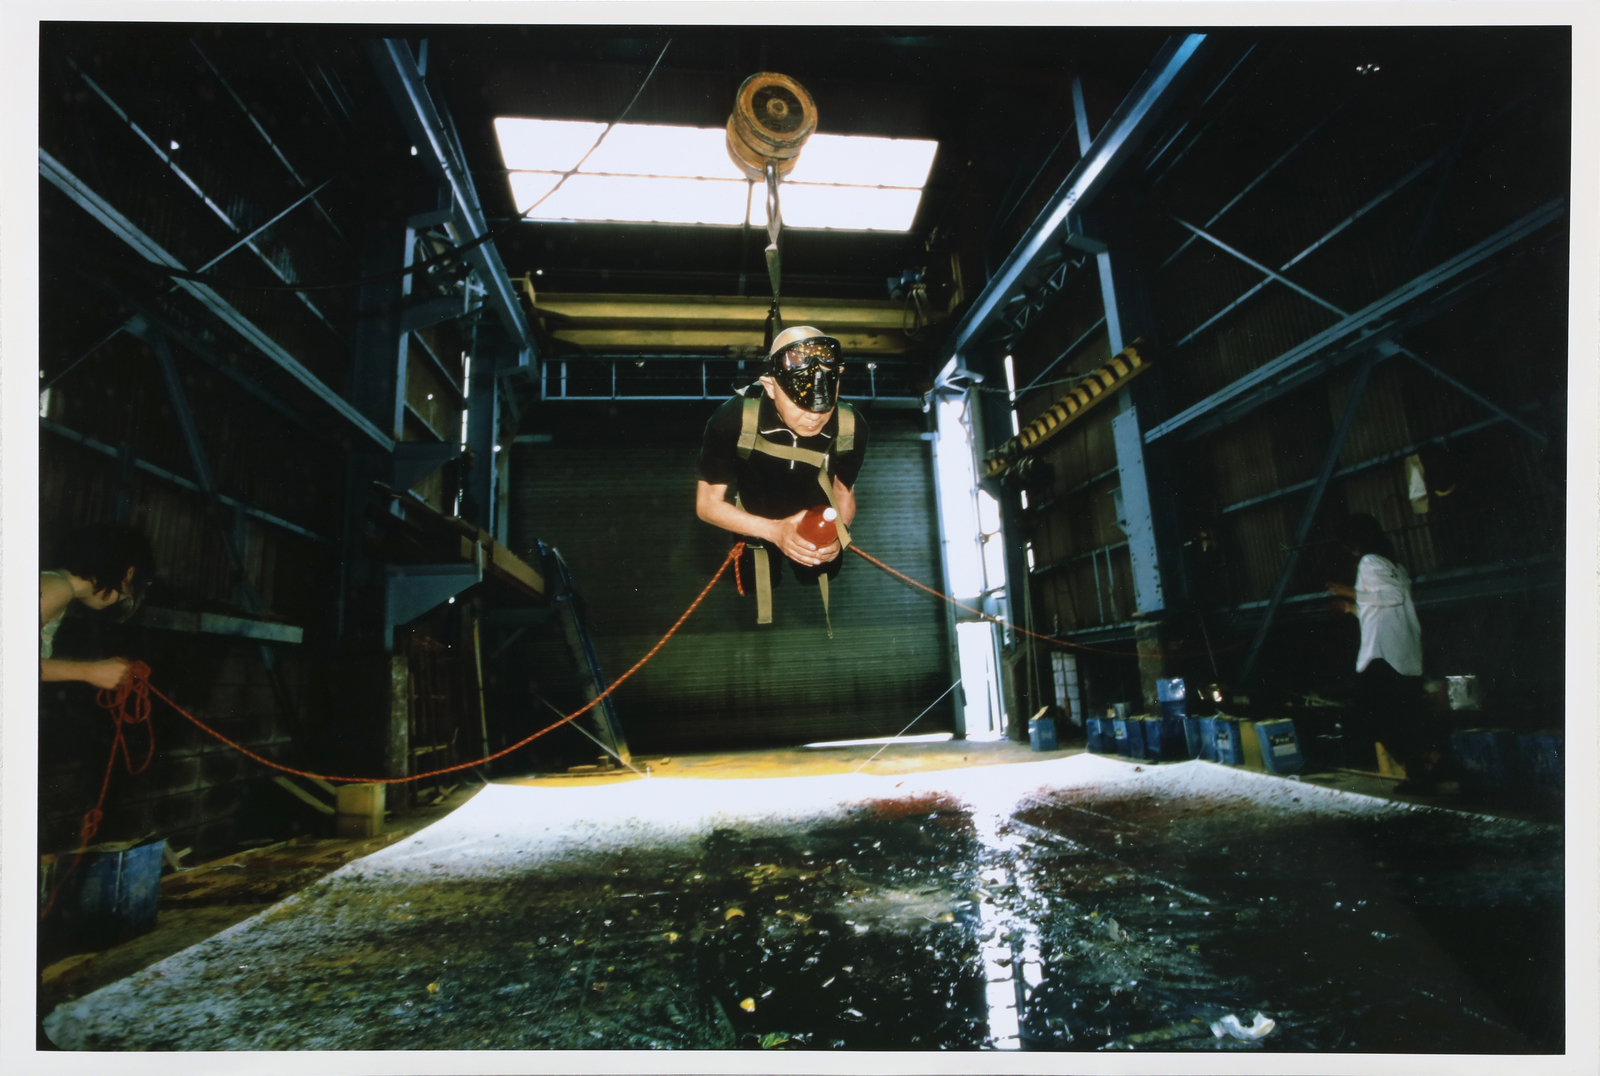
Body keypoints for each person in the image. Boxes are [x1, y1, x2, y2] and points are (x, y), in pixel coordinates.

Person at [696, 325, 869, 626]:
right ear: (770, 386)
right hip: (754, 523)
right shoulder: (732, 420)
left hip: (816, 526)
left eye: (824, 407)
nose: (813, 417)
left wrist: (837, 535)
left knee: (818, 571)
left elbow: (844, 492)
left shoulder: (850, 426)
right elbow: (707, 504)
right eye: (801, 405)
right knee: (755, 580)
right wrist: (775, 531)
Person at [1325, 513, 1434, 790]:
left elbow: (1392, 597)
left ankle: (1421, 766)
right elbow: (1382, 608)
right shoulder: (1395, 566)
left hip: (1382, 655)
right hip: (1401, 653)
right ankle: (1419, 772)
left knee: (1373, 716)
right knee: (1399, 718)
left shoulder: (1370, 562)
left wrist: (1350, 592)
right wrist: (1351, 608)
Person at [40, 526, 156, 690]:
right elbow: (12, 662)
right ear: (128, 574)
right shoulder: (58, 589)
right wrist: (91, 672)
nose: (121, 600)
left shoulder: (59, 587)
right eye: (127, 593)